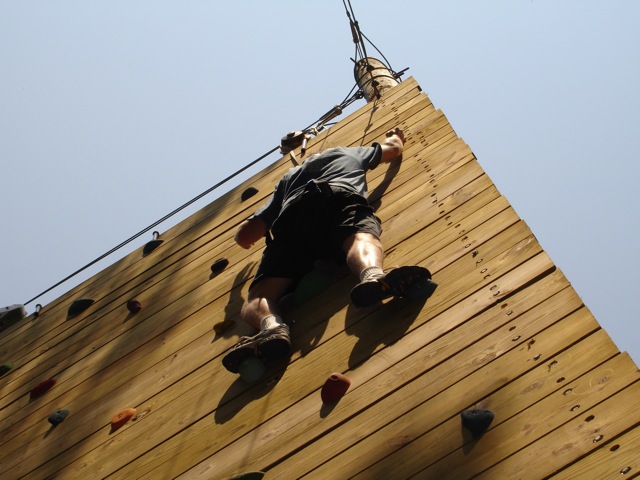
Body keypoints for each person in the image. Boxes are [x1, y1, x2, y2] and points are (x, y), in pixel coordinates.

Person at [222, 128, 436, 373]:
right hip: (337, 199)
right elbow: (393, 150)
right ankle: (373, 276)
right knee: (359, 237)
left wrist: (234, 291)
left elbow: (245, 236)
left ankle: (271, 328)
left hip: (292, 223)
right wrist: (395, 136)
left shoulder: (288, 179)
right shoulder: (347, 155)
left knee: (259, 296)